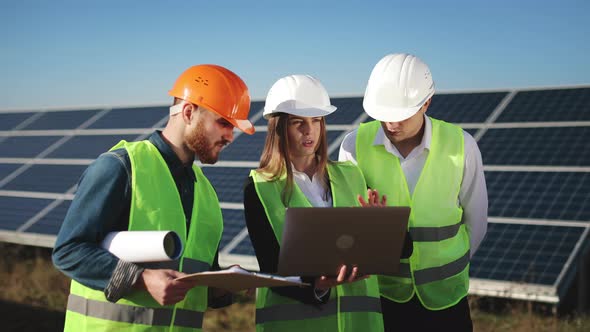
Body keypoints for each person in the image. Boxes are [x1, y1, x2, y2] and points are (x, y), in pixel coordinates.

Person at [52, 64, 255, 331]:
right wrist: (141, 279)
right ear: (188, 112)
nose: (230, 136)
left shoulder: (205, 191)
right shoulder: (121, 167)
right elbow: (68, 251)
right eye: (224, 123)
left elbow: (191, 276)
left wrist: (220, 286)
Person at [339, 53, 488, 331]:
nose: (391, 124)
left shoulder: (462, 146)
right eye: (384, 115)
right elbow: (348, 226)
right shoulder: (353, 146)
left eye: (400, 115)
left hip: (447, 301)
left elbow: (476, 223)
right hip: (384, 297)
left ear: (427, 103)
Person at [243, 74, 386, 331]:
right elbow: (270, 266)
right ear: (278, 127)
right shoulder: (260, 186)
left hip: (358, 324)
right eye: (298, 123)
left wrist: (380, 228)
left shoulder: (352, 175)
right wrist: (317, 286)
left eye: (316, 121)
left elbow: (396, 250)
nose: (309, 131)